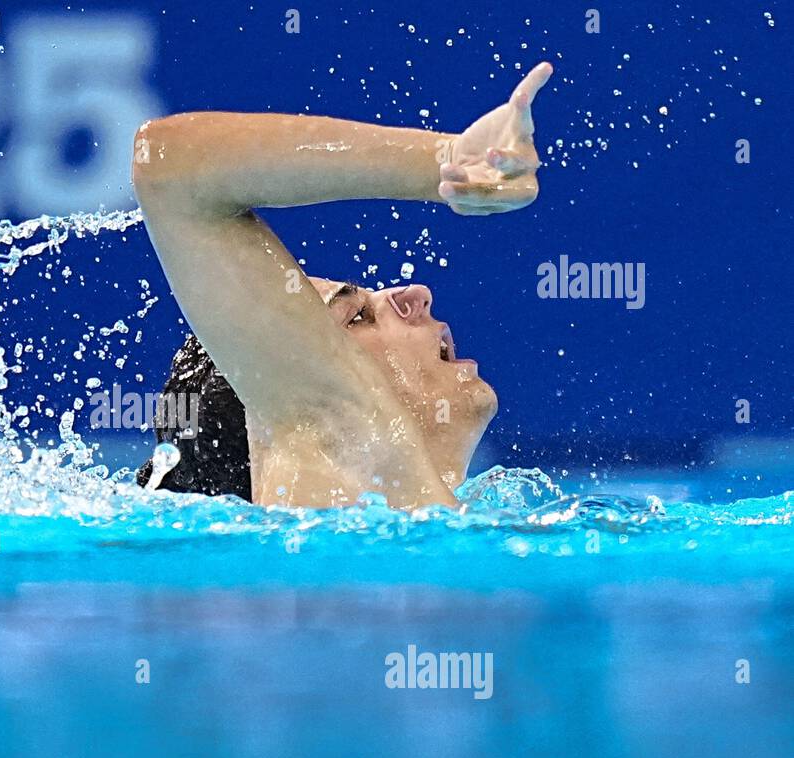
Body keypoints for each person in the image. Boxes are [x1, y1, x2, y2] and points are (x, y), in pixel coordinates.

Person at [132, 63, 553, 510]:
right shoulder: (337, 450)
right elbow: (168, 168)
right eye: (357, 316)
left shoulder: (440, 519)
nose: (414, 293)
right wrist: (443, 161)